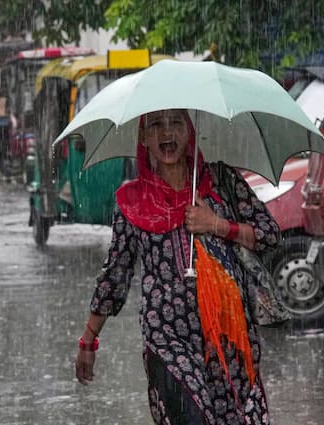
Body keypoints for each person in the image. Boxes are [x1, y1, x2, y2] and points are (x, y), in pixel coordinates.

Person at [74, 109, 280, 425]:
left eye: (175, 123)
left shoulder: (220, 181)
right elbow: (115, 275)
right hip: (167, 338)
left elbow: (269, 235)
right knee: (191, 418)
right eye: (155, 125)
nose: (166, 133)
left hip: (227, 335)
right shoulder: (132, 201)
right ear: (143, 138)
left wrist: (217, 225)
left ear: (189, 131)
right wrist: (89, 340)